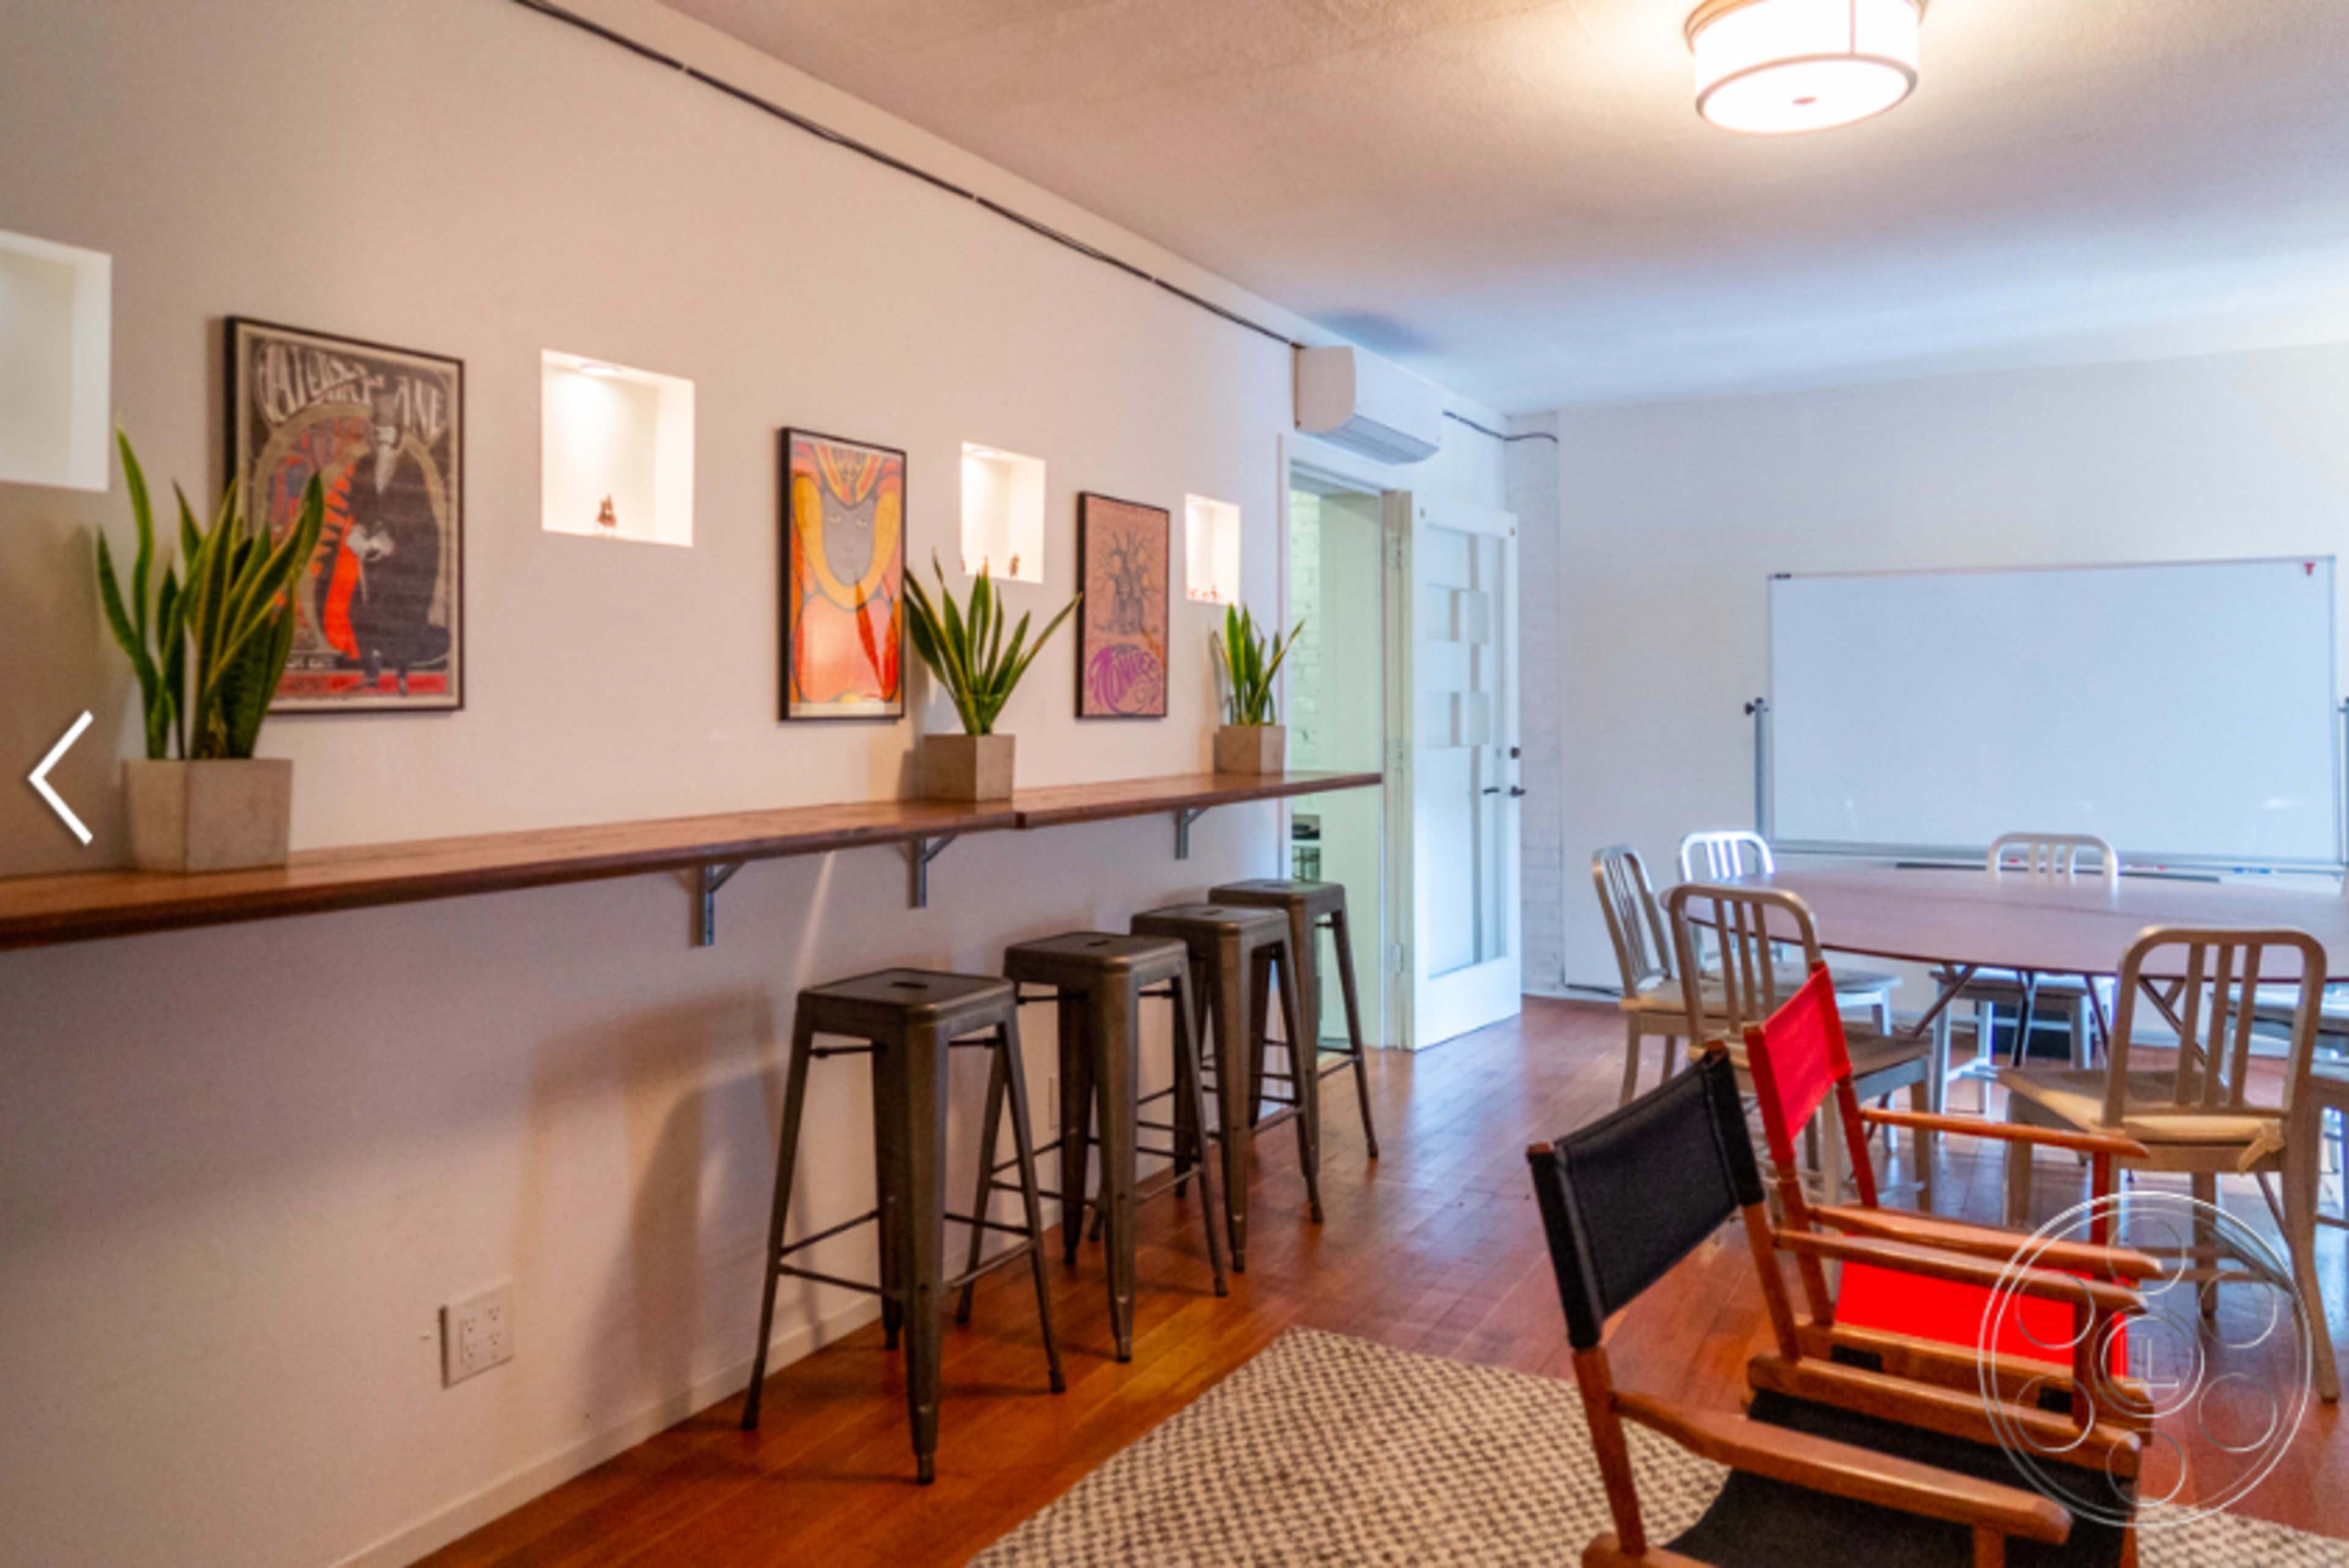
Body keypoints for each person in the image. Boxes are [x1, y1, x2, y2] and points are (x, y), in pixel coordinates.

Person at [343, 384, 448, 695]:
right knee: (358, 609)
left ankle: (402, 678)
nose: (381, 437)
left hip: (410, 555)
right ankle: (371, 672)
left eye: (386, 431)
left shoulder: (410, 468)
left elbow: (417, 517)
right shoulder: (364, 465)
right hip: (376, 555)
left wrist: (391, 540)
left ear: (397, 433)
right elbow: (360, 506)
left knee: (401, 616)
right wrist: (358, 532)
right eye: (377, 431)